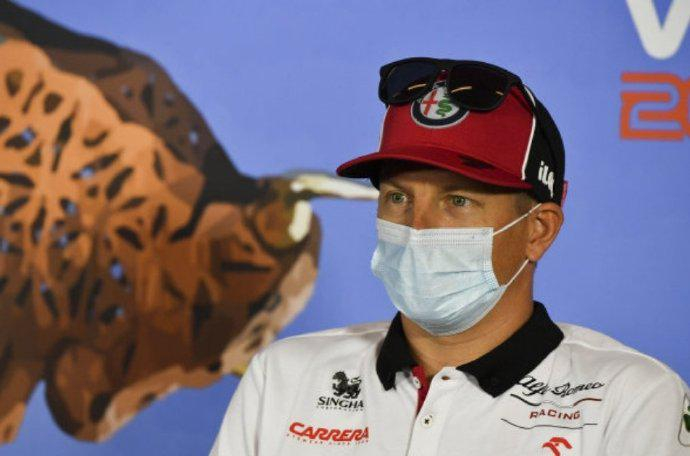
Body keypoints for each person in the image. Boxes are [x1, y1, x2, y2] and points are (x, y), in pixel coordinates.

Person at [210, 58, 690, 455]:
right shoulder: (285, 376)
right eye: (398, 197)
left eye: (457, 200)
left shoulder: (631, 397)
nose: (417, 227)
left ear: (538, 230)